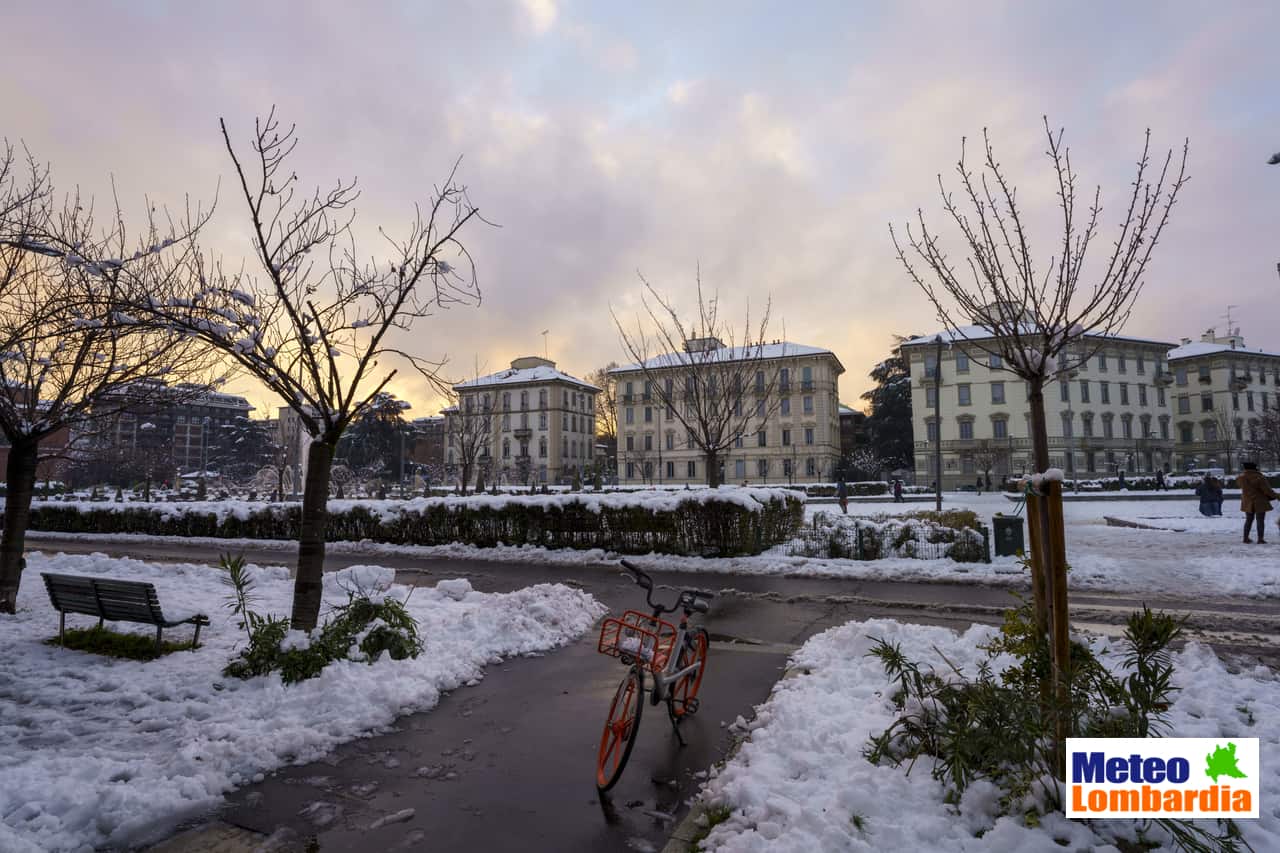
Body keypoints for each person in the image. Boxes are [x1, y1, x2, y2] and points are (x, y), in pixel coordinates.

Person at [1239, 461, 1278, 544]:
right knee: (1260, 520)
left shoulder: (1241, 478)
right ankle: (1260, 539)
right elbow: (1267, 490)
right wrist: (1277, 496)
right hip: (1259, 501)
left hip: (1247, 502)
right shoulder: (1259, 477)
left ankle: (1245, 538)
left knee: (1248, 520)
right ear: (1255, 468)